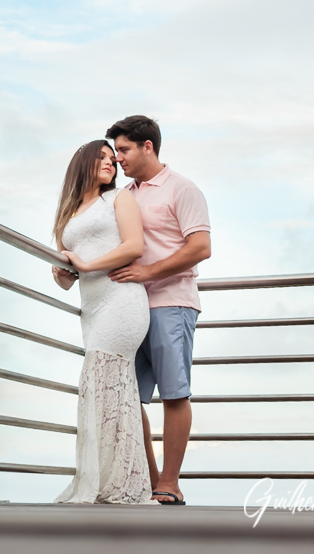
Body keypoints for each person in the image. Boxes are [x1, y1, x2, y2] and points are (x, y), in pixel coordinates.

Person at [108, 115, 211, 506]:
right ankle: (152, 482)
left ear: (147, 146)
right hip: (128, 310)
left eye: (124, 150)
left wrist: (149, 272)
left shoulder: (182, 189)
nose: (119, 159)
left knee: (174, 393)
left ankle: (170, 484)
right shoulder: (124, 195)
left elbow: (200, 247)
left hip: (171, 303)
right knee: (126, 397)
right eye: (116, 151)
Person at [50, 140, 153, 504]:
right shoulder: (69, 212)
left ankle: (123, 483)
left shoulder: (118, 199)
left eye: (114, 159)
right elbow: (67, 276)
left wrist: (87, 265)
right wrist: (63, 272)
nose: (111, 164)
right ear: (84, 163)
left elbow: (134, 246)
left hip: (122, 301)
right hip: (92, 308)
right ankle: (106, 479)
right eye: (104, 158)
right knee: (104, 389)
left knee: (105, 379)